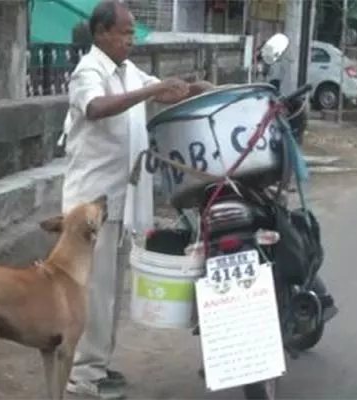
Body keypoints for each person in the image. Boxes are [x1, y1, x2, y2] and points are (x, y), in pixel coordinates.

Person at [61, 1, 214, 398]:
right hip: (90, 203)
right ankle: (82, 377)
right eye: (125, 33)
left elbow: (163, 93)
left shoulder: (128, 72)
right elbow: (96, 109)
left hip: (119, 200)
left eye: (132, 33)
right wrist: (151, 89)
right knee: (92, 293)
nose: (131, 40)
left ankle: (99, 365)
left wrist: (200, 90)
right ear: (101, 34)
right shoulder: (89, 71)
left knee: (110, 291)